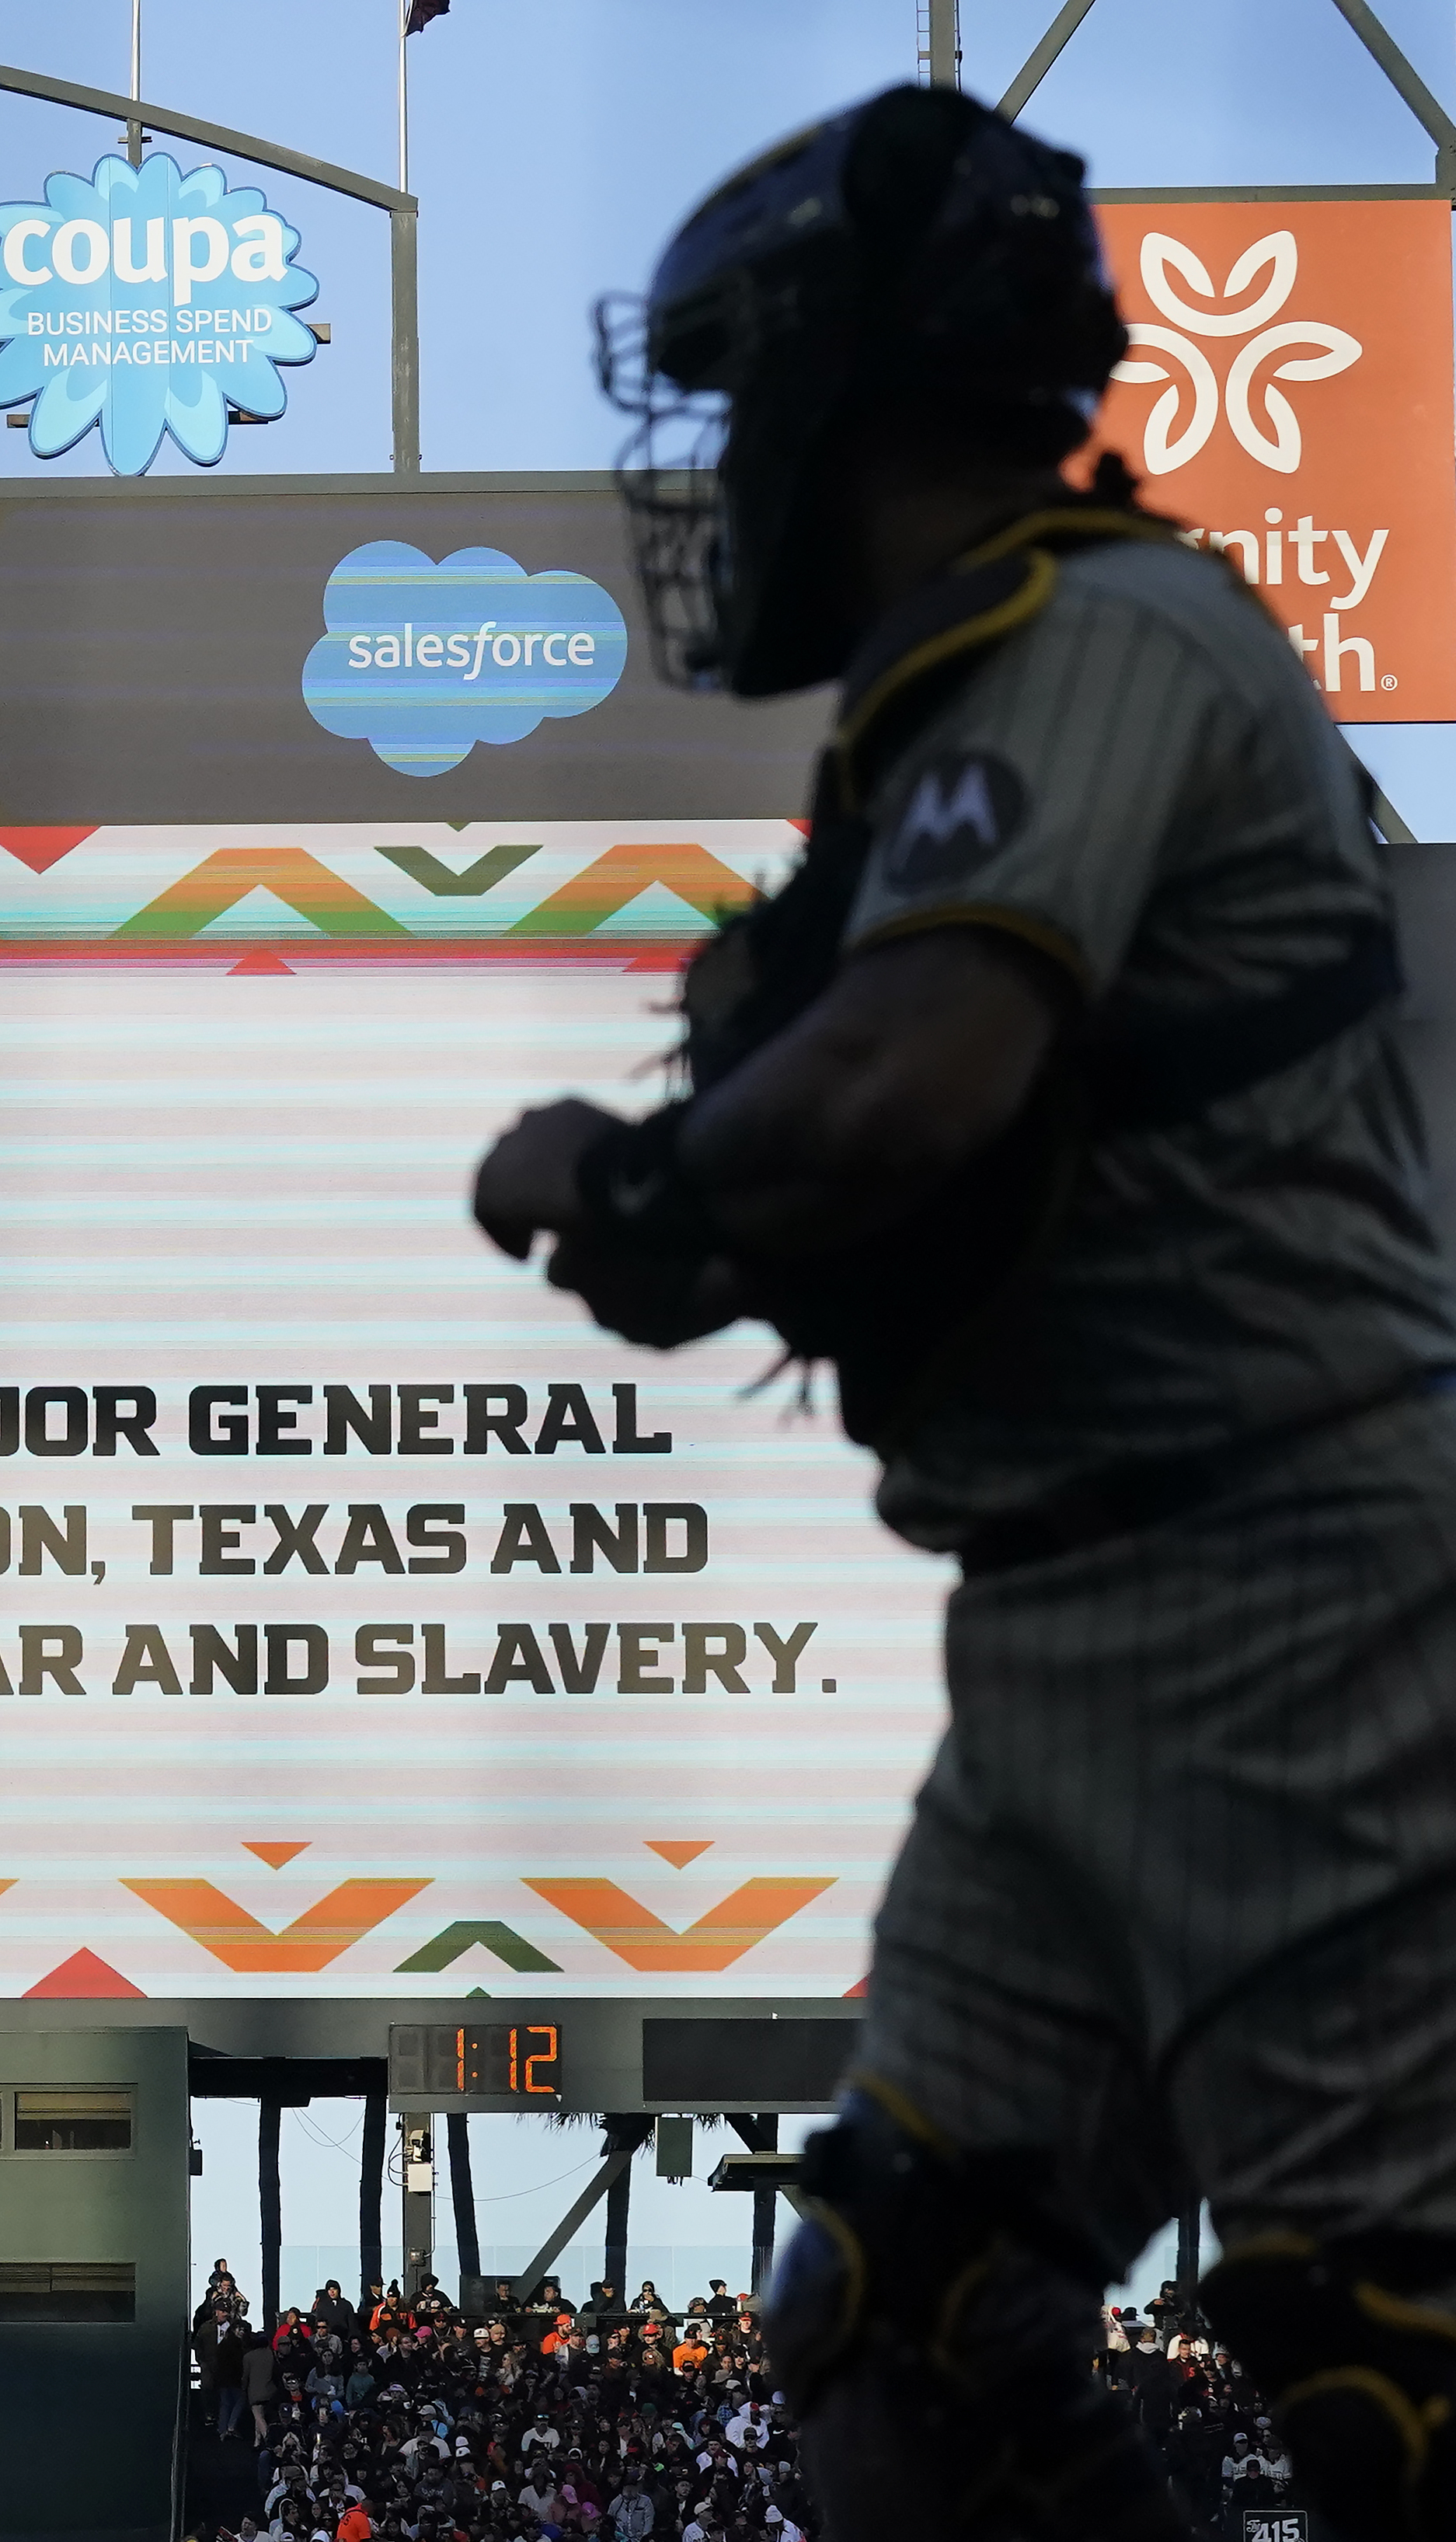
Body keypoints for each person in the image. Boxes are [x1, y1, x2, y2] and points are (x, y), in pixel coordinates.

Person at [472, 76, 1456, 2542]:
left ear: (849, 385)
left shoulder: (1103, 635)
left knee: (1397, 2383)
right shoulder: (945, 712)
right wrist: (702, 1223)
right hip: (1058, 1659)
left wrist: (631, 1169)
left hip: (1299, 1605)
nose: (719, 459)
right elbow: (905, 1156)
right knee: (894, 2331)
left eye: (739, 393)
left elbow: (916, 1079)